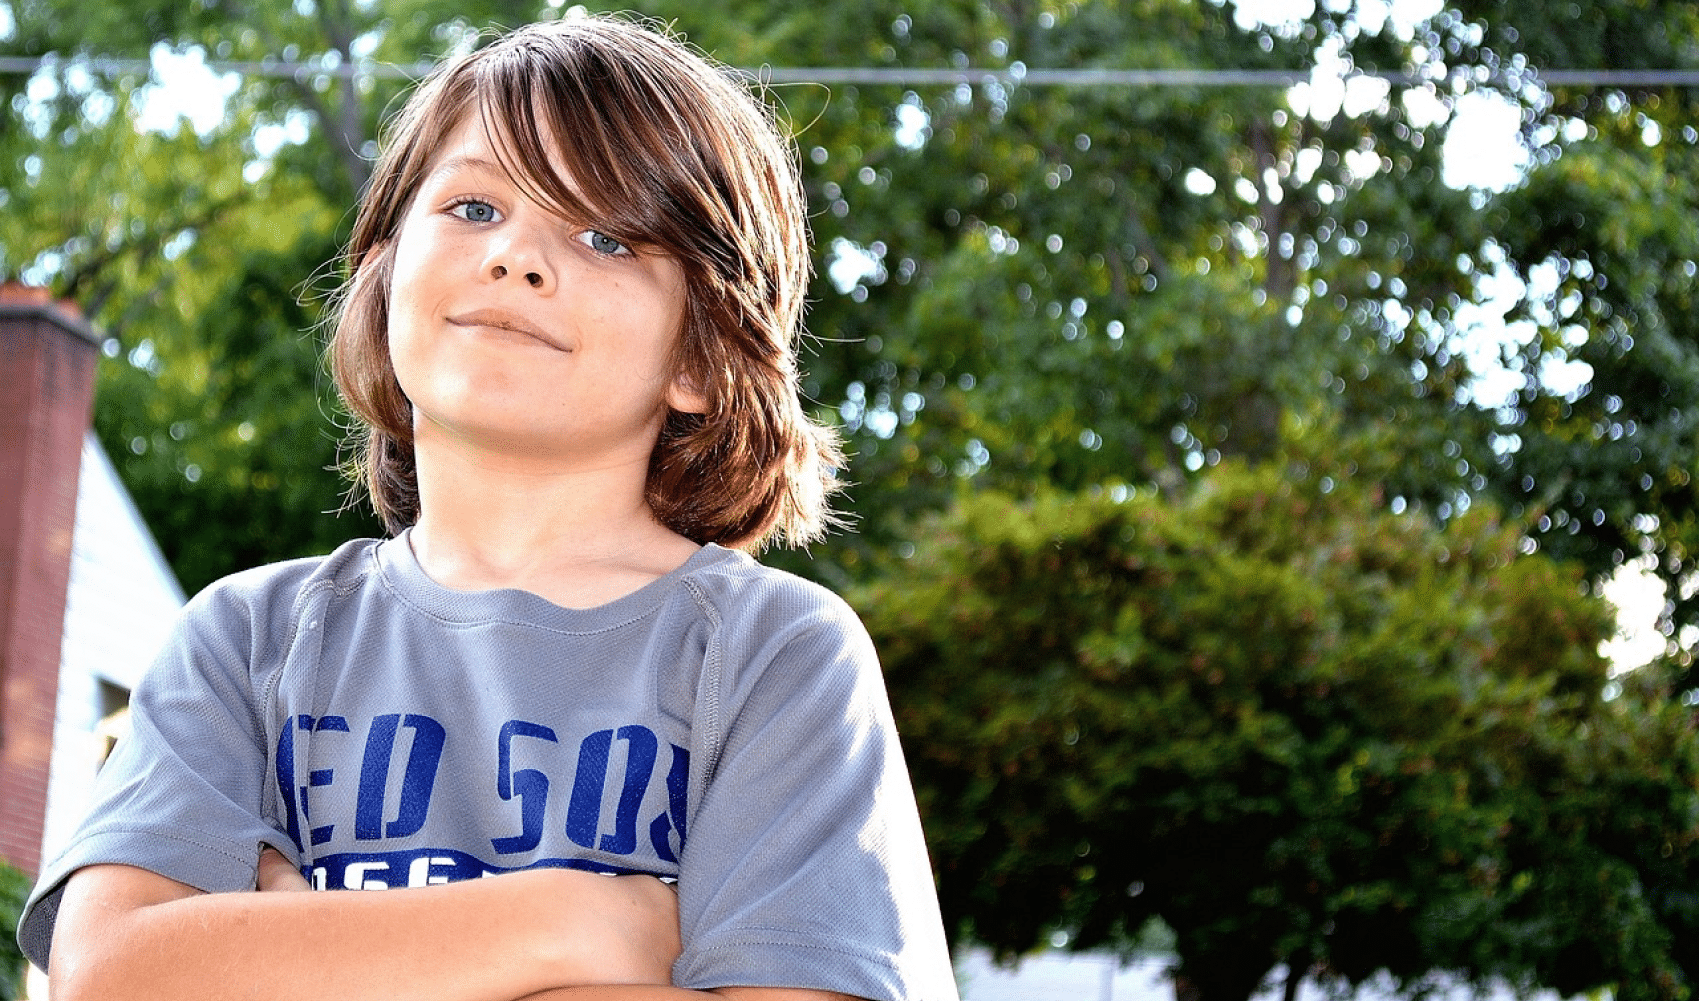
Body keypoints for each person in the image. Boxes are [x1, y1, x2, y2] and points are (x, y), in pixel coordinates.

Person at [17, 14, 958, 1001]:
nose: (517, 255)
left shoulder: (775, 657)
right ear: (383, 270)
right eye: (473, 207)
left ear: (699, 354)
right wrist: (579, 921)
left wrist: (303, 952)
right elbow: (110, 972)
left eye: (605, 235)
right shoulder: (244, 641)